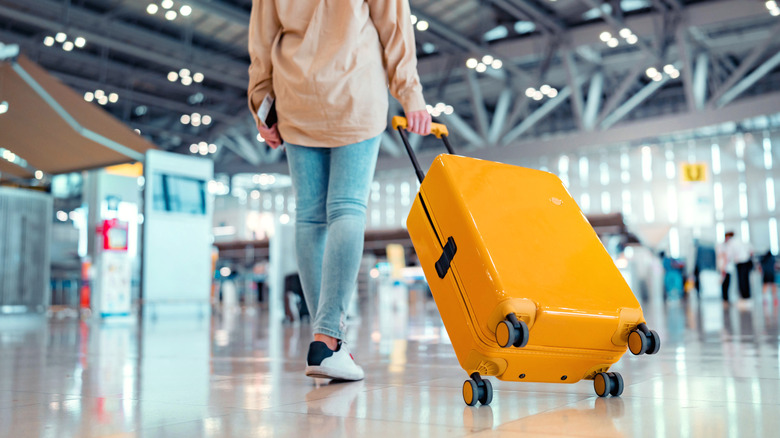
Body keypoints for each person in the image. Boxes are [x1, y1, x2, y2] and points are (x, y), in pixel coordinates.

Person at [247, 0, 431, 381]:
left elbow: (261, 41)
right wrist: (410, 93)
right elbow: (394, 26)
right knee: (347, 208)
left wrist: (260, 104)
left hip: (296, 98)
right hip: (355, 93)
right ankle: (328, 339)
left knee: (310, 217)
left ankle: (324, 344)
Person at [723, 231, 754, 307]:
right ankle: (747, 297)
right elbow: (751, 251)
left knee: (742, 281)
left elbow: (728, 256)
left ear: (727, 237)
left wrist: (724, 266)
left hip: (740, 262)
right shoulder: (740, 240)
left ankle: (744, 299)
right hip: (747, 261)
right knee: (746, 280)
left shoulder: (731, 243)